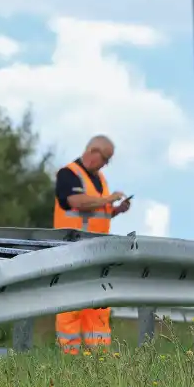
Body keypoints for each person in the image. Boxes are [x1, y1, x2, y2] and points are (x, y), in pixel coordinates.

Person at [52, 135, 132, 354]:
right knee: (71, 306)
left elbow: (97, 214)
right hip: (73, 249)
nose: (105, 163)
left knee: (98, 306)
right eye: (105, 158)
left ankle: (100, 359)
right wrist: (108, 200)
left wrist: (116, 210)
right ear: (93, 151)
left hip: (98, 251)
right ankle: (69, 358)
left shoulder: (100, 179)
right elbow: (75, 202)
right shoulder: (68, 174)